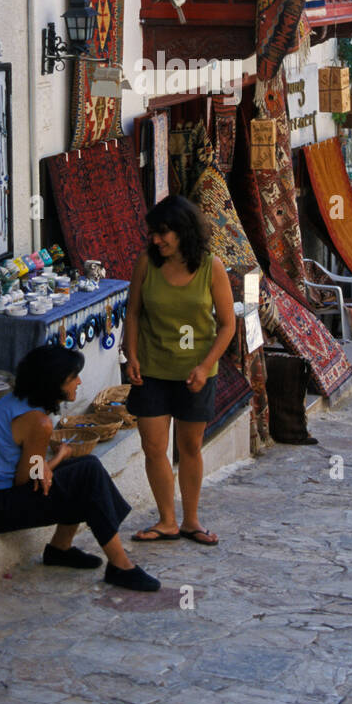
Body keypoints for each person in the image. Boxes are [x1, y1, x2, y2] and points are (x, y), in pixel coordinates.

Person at [0, 345, 160, 592]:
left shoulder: (17, 401)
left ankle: (60, 550)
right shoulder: (38, 422)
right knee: (86, 475)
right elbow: (26, 480)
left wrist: (47, 465)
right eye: (72, 378)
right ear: (52, 384)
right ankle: (120, 566)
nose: (78, 382)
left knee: (85, 469)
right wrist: (58, 458)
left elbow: (28, 466)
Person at [123, 194, 236, 546]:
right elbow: (133, 312)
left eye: (163, 233)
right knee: (154, 447)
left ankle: (191, 520)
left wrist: (205, 367)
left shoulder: (211, 267)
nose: (156, 240)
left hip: (195, 375)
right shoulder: (146, 263)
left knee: (190, 447)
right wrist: (131, 354)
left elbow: (228, 325)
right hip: (153, 371)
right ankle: (166, 520)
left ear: (183, 231)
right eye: (153, 233)